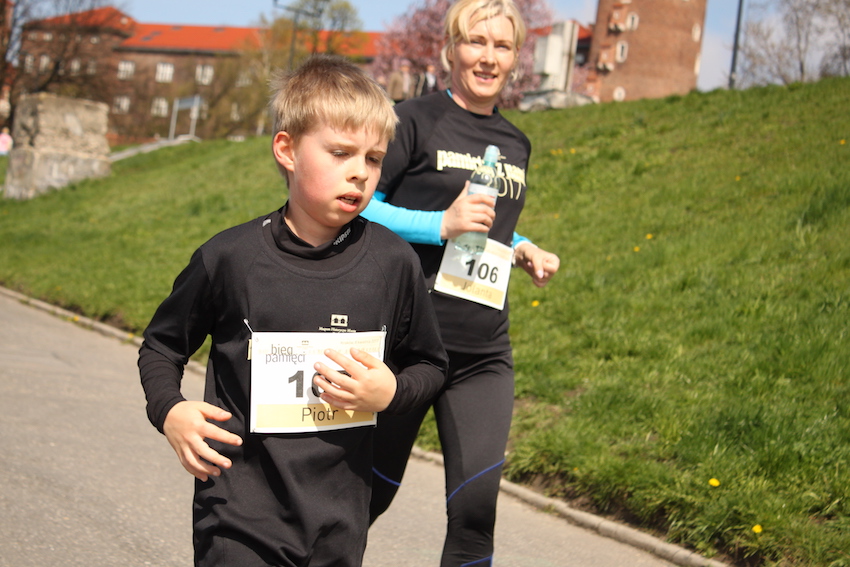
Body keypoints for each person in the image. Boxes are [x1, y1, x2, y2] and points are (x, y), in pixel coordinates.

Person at [138, 55, 448, 567]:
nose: (360, 172)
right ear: (286, 150)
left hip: (338, 522)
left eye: (373, 159)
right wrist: (169, 410)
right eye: (340, 152)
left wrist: (391, 391)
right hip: (237, 514)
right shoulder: (230, 258)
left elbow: (430, 364)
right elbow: (161, 346)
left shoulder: (394, 264)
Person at [362, 0, 560, 565]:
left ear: (515, 58)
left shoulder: (517, 143)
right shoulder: (411, 120)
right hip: (407, 345)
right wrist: (438, 225)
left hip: (482, 353)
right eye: (476, 41)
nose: (488, 57)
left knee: (475, 516)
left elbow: (491, 227)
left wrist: (522, 248)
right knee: (363, 496)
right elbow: (359, 205)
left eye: (502, 46)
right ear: (451, 49)